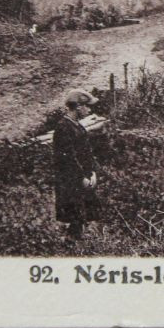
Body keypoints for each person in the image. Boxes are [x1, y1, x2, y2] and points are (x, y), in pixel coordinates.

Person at [52, 89, 98, 242]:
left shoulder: (77, 126)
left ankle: (77, 245)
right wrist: (81, 178)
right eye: (87, 106)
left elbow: (87, 153)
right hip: (70, 180)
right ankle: (70, 246)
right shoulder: (63, 128)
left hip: (82, 179)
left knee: (82, 215)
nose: (89, 110)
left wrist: (92, 173)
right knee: (74, 217)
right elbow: (68, 158)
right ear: (78, 106)